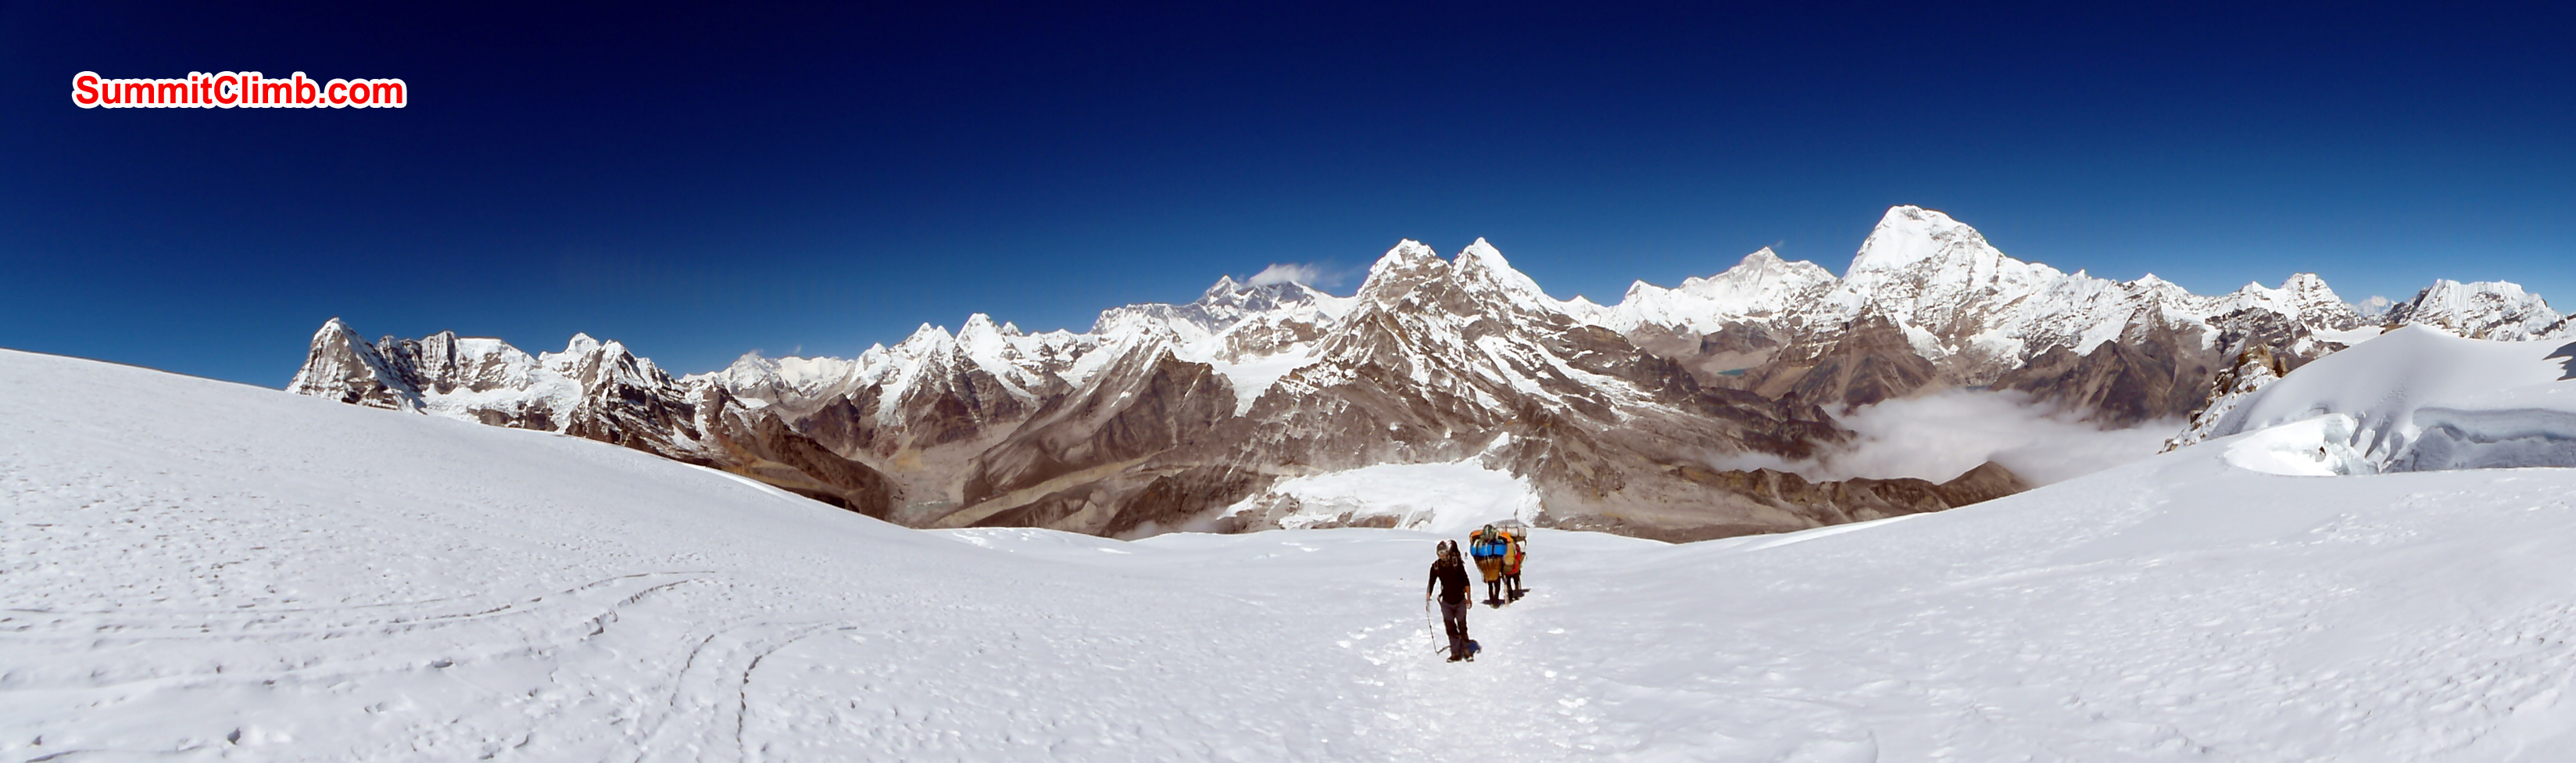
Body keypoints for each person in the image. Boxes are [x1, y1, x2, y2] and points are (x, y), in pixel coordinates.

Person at [1426, 539, 1474, 661]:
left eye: (1444, 552)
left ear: (1447, 552)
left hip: (1460, 600)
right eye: (1440, 552)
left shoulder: (1456, 563)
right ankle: (1455, 653)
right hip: (1446, 602)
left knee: (1462, 626)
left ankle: (1466, 651)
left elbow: (1465, 580)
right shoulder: (1436, 567)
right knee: (1450, 628)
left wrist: (1469, 598)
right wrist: (1428, 598)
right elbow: (1431, 582)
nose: (1442, 554)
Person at [1470, 525, 1506, 604]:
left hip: (1487, 568)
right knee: (1497, 585)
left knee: (1490, 585)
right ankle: (1495, 599)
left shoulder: (1480, 545)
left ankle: (1492, 600)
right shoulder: (1498, 543)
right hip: (1496, 567)